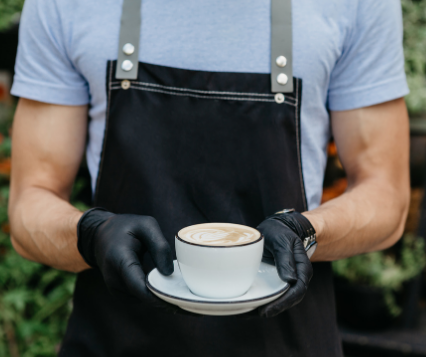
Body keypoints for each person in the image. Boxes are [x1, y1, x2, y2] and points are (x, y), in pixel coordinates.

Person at [9, 0, 410, 356]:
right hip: (115, 339)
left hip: (286, 342)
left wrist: (305, 230)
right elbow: (30, 201)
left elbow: (387, 196)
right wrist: (90, 234)